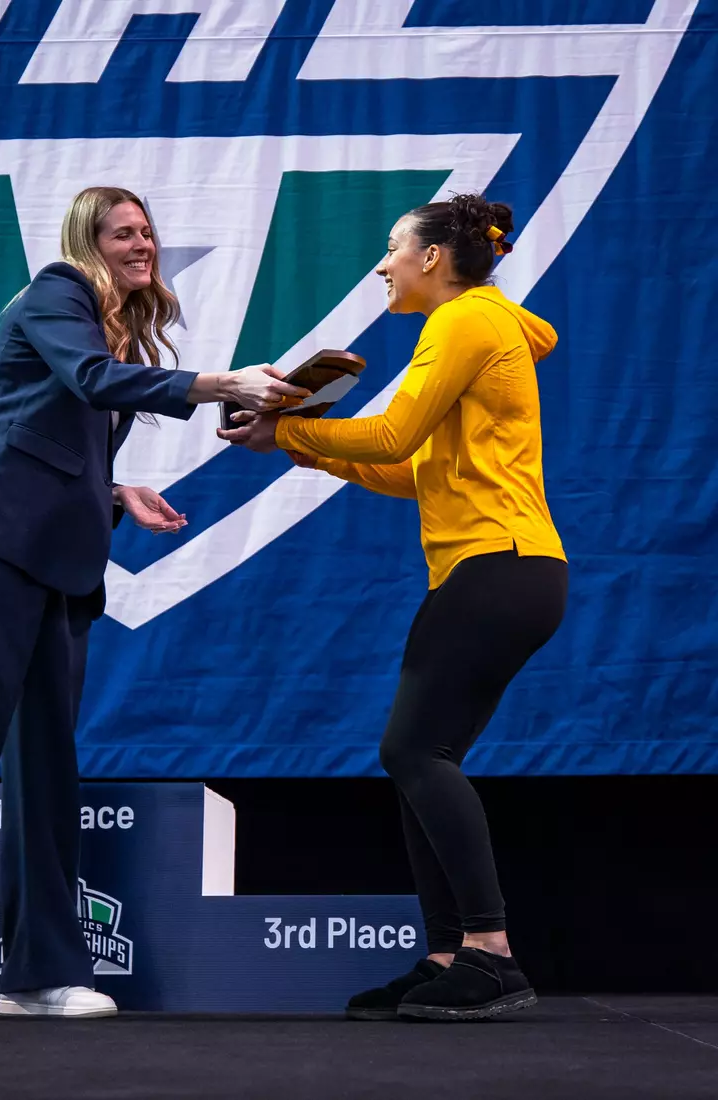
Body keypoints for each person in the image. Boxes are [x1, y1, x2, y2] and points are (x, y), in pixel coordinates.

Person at [0, 185, 309, 1018]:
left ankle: (39, 974)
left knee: (45, 768)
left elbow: (44, 426)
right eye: (125, 233)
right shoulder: (55, 293)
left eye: (148, 232)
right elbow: (90, 381)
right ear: (88, 241)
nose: (144, 245)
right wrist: (221, 382)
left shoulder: (104, 319)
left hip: (61, 559)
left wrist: (112, 491)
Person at [218, 193, 568, 1021]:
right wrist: (303, 449)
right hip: (503, 572)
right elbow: (411, 471)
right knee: (418, 754)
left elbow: (390, 436)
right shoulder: (479, 326)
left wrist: (291, 433)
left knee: (415, 752)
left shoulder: (462, 324)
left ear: (433, 259)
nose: (382, 265)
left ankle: (490, 953)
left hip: (499, 568)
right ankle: (448, 953)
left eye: (391, 249)